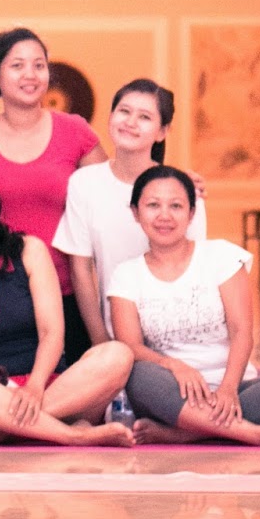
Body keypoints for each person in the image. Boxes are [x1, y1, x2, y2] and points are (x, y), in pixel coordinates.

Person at [0, 166, 135, 447]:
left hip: (53, 389)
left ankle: (6, 429)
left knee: (118, 354)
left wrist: (35, 387)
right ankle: (73, 434)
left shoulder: (29, 251)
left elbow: (51, 332)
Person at [109, 165, 260, 447]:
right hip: (170, 391)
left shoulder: (221, 256)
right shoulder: (126, 274)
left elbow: (242, 331)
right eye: (153, 205)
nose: (164, 215)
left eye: (176, 206)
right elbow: (131, 346)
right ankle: (253, 434)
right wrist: (174, 366)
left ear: (192, 213)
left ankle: (184, 433)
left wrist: (228, 389)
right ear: (135, 212)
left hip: (235, 386)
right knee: (137, 375)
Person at [0, 28, 107, 364]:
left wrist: (172, 179)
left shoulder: (74, 131)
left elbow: (117, 190)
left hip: (67, 292)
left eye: (39, 65)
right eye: (17, 65)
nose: (30, 74)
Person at [54, 79, 208, 346]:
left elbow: (194, 270)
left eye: (145, 117)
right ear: (110, 117)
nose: (131, 122)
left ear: (162, 132)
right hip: (114, 337)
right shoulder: (85, 183)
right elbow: (81, 270)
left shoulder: (182, 190)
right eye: (124, 111)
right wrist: (101, 341)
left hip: (175, 338)